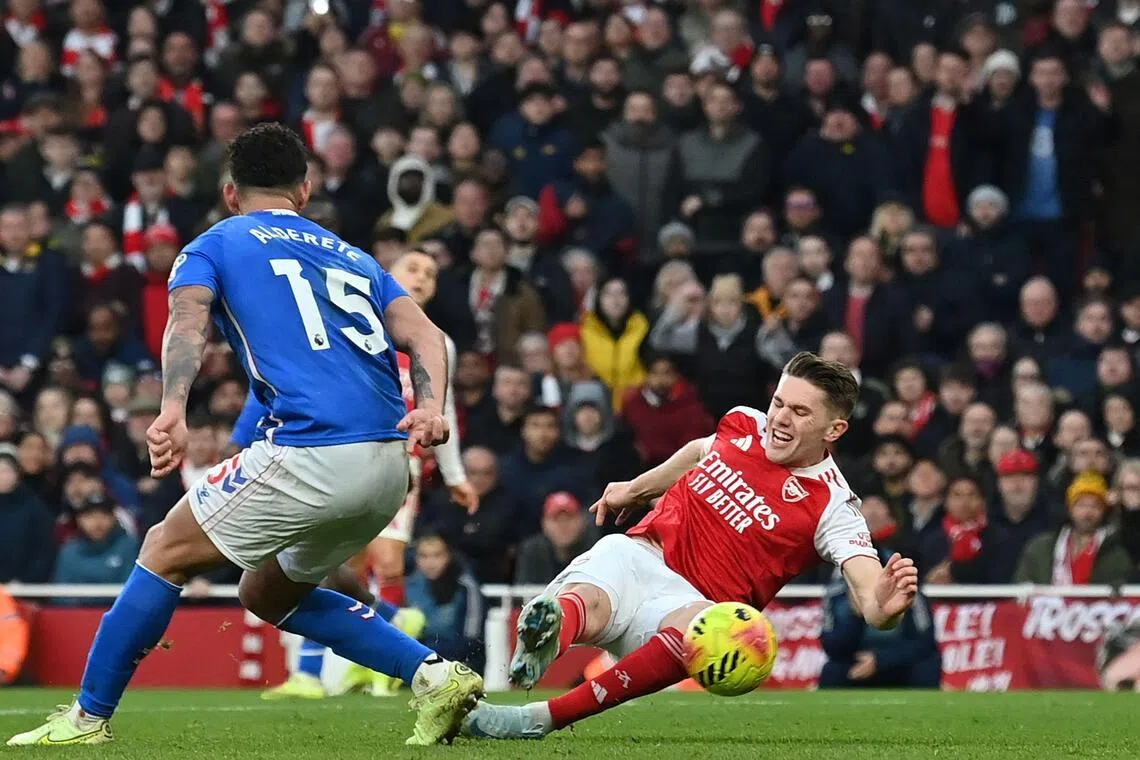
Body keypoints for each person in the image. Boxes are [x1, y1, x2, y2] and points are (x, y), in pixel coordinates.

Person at [7, 124, 482, 747]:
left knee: (162, 548)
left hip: (314, 450)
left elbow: (186, 323)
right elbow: (424, 334)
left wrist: (172, 408)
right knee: (267, 591)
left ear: (231, 193)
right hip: (391, 464)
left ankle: (86, 719)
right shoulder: (352, 255)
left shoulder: (214, 243)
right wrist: (431, 407)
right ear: (305, 191)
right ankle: (433, 676)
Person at [462, 352, 918, 739]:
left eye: (800, 413)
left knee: (715, 631)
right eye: (779, 402)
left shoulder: (834, 506)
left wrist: (885, 606)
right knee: (591, 597)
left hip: (692, 607)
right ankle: (549, 637)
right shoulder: (744, 423)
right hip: (640, 554)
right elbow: (700, 450)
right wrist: (637, 488)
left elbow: (870, 593)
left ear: (833, 430)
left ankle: (536, 718)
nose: (779, 418)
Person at [259, 247, 478, 700]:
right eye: (411, 268)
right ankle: (351, 653)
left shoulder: (436, 341)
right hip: (343, 454)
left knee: (389, 562)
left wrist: (454, 475)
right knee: (338, 568)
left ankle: (384, 668)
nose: (420, 279)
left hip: (402, 463)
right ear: (384, 273)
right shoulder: (346, 323)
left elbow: (444, 409)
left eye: (430, 274)